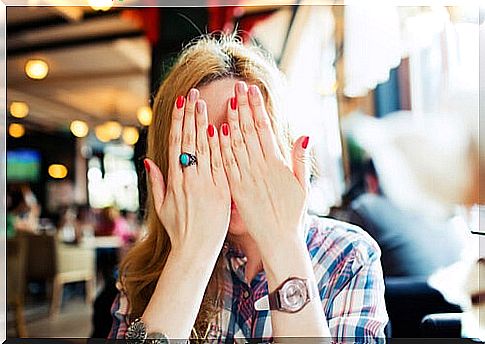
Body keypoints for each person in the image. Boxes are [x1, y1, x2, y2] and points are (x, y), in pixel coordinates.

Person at [108, 34, 388, 342]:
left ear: (283, 144)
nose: (229, 170)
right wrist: (190, 257)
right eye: (200, 151)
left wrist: (281, 242)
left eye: (247, 142)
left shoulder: (347, 256)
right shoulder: (144, 272)